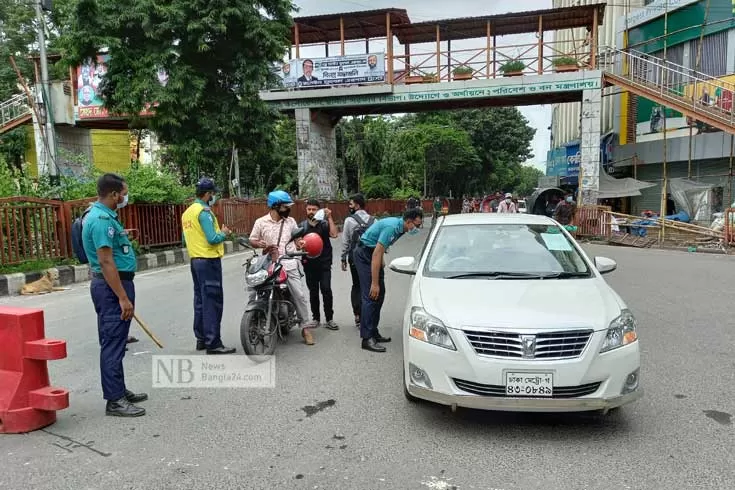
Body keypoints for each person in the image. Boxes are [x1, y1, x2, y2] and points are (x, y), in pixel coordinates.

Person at [82, 173, 147, 417]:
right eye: (123, 193)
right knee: (112, 342)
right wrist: (122, 297)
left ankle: (118, 389)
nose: (125, 197)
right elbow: (106, 260)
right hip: (112, 288)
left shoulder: (103, 216)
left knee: (117, 342)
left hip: (113, 285)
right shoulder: (101, 220)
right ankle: (115, 400)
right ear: (113, 194)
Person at [248, 191, 317, 345]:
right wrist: (259, 244)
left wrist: (300, 244)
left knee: (299, 295)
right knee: (254, 292)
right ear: (276, 206)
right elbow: (252, 239)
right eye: (286, 206)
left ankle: (305, 328)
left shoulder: (291, 221)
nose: (288, 209)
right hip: (268, 264)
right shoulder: (261, 222)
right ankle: (253, 321)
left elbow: (298, 238)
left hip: (289, 262)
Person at [354, 208, 424, 353]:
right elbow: (375, 254)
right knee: (370, 295)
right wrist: (374, 283)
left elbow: (380, 247)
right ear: (409, 221)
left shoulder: (400, 228)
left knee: (380, 295)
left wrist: (382, 261)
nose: (416, 229)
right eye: (416, 225)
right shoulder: (392, 227)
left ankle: (373, 331)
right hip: (365, 255)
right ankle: (366, 339)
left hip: (373, 254)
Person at [181, 178, 236, 355]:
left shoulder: (187, 212)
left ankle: (202, 339)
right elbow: (212, 238)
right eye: (213, 194)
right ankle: (213, 343)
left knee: (200, 300)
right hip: (208, 260)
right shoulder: (204, 212)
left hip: (195, 261)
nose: (214, 197)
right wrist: (224, 233)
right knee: (212, 301)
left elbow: (185, 239)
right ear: (207, 194)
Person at [300, 199, 339, 330]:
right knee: (313, 292)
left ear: (318, 210)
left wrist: (330, 217)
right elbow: (297, 243)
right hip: (309, 264)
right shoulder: (302, 226)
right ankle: (316, 318)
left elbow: (334, 234)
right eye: (309, 209)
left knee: (326, 290)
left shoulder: (324, 224)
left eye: (314, 209)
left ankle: (329, 319)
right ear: (306, 210)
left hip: (324, 263)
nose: (311, 212)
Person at [340, 193, 373, 329]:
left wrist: (343, 258)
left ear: (357, 205)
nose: (349, 206)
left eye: (351, 204)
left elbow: (346, 241)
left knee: (357, 285)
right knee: (369, 285)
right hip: (370, 258)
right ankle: (368, 314)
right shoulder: (373, 220)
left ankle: (357, 315)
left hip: (354, 258)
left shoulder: (349, 221)